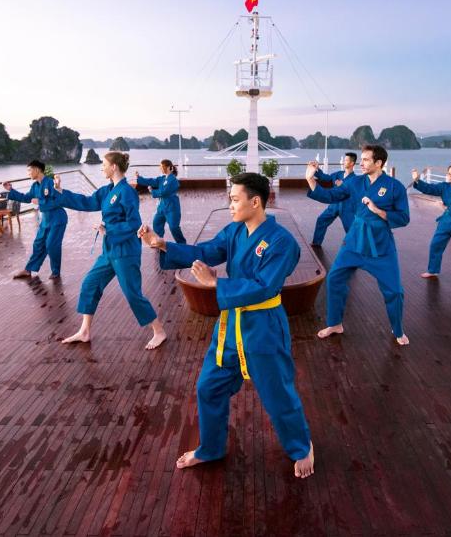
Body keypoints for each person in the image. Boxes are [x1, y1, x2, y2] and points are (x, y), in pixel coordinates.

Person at [138, 172, 315, 478]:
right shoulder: (235, 231)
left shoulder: (281, 242)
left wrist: (216, 284)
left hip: (263, 327)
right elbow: (205, 251)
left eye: (234, 199)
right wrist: (162, 244)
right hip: (231, 325)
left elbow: (265, 287)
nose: (230, 205)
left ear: (255, 202)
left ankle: (301, 448)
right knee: (209, 387)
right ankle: (211, 448)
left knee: (278, 394)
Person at [53, 151, 167, 350]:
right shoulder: (108, 190)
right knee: (90, 283)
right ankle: (85, 331)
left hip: (125, 250)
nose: (102, 168)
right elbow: (87, 202)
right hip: (109, 249)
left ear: (114, 167)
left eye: (104, 165)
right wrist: (61, 192)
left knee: (132, 294)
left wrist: (108, 229)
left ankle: (159, 331)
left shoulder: (127, 192)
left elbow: (134, 223)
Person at [307, 145, 411, 346]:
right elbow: (331, 196)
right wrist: (311, 180)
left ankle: (397, 329)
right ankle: (335, 324)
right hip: (354, 240)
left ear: (378, 163)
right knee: (334, 279)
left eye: (365, 160)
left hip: (380, 245)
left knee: (395, 291)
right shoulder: (355, 182)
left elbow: (404, 218)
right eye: (361, 159)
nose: (360, 163)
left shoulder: (394, 186)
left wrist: (377, 210)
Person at [3, 160, 67, 280]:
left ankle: (56, 272)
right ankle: (28, 270)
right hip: (46, 219)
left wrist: (40, 201)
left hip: (58, 218)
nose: (28, 173)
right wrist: (11, 190)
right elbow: (26, 198)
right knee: (38, 243)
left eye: (29, 170)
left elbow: (57, 200)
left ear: (37, 170)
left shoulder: (50, 183)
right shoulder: (35, 186)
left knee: (51, 244)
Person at [308, 152, 359, 247]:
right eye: (344, 160)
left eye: (346, 160)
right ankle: (316, 242)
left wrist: (342, 185)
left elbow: (353, 192)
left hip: (346, 206)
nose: (344, 162)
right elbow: (325, 177)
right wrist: (316, 169)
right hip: (334, 204)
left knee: (351, 228)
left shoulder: (355, 179)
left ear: (352, 163)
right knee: (321, 220)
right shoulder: (338, 174)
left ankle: (356, 248)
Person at [134, 159, 186, 244]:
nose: (161, 169)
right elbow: (151, 181)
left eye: (163, 167)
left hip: (172, 208)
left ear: (169, 167)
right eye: (160, 167)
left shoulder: (173, 180)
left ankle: (182, 244)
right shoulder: (162, 178)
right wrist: (139, 178)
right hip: (162, 207)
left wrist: (152, 191)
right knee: (157, 223)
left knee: (174, 227)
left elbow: (164, 192)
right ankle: (159, 242)